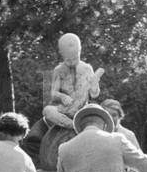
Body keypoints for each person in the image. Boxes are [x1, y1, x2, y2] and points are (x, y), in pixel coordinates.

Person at [23, 33, 104, 162]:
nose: (71, 62)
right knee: (48, 111)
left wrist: (94, 84)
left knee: (99, 111)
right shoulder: (59, 70)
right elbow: (53, 93)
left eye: (74, 59)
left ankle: (80, 126)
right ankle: (73, 126)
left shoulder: (87, 68)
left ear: (79, 52)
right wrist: (63, 96)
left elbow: (94, 94)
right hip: (65, 109)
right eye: (68, 60)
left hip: (82, 109)